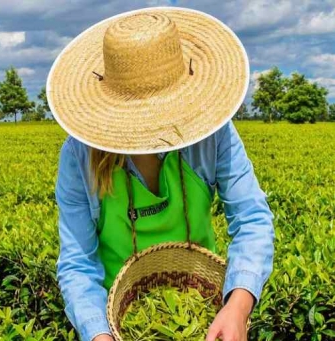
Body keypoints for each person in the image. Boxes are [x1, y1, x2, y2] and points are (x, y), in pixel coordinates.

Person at [46, 6, 275, 341]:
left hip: (205, 303)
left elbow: (251, 217)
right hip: (118, 316)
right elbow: (78, 261)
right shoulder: (79, 155)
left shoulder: (214, 134)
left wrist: (237, 307)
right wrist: (99, 333)